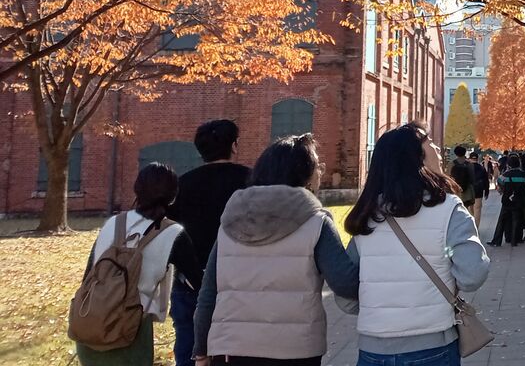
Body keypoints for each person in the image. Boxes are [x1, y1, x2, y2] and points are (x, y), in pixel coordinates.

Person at [192, 134, 358, 366]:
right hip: (295, 351)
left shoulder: (232, 221)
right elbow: (345, 284)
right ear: (305, 175)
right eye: (317, 166)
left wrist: (200, 350)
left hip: (231, 349)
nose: (321, 171)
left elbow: (208, 293)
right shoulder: (316, 222)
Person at [341, 122, 490, 366]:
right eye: (429, 142)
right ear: (414, 156)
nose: (438, 149)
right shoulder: (448, 209)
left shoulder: (366, 214)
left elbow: (344, 291)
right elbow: (473, 274)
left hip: (372, 347)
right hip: (432, 342)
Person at [76, 163, 204, 366]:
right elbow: (199, 285)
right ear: (173, 196)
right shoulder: (173, 233)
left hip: (90, 326)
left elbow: (88, 276)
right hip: (130, 332)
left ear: (137, 189)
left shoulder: (113, 223)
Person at [167, 119, 251, 366]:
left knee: (188, 348)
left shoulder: (182, 184)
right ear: (234, 145)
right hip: (240, 281)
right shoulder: (251, 181)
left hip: (191, 281)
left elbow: (171, 235)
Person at [488, 155, 525, 247]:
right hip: (519, 200)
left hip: (507, 200)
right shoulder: (523, 175)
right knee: (516, 220)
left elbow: (499, 182)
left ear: (509, 165)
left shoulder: (505, 175)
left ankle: (497, 241)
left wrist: (503, 189)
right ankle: (515, 240)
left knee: (502, 221)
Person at [449, 145, 475, 216]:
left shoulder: (452, 164)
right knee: (468, 208)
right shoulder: (469, 164)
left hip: (456, 190)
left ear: (456, 153)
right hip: (468, 191)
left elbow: (448, 177)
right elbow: (472, 178)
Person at [469, 151, 490, 224]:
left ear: (470, 159)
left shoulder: (466, 167)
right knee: (477, 210)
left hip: (468, 192)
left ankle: (471, 225)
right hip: (478, 191)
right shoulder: (481, 168)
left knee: (469, 210)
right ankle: (476, 227)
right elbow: (486, 181)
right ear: (477, 159)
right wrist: (486, 192)